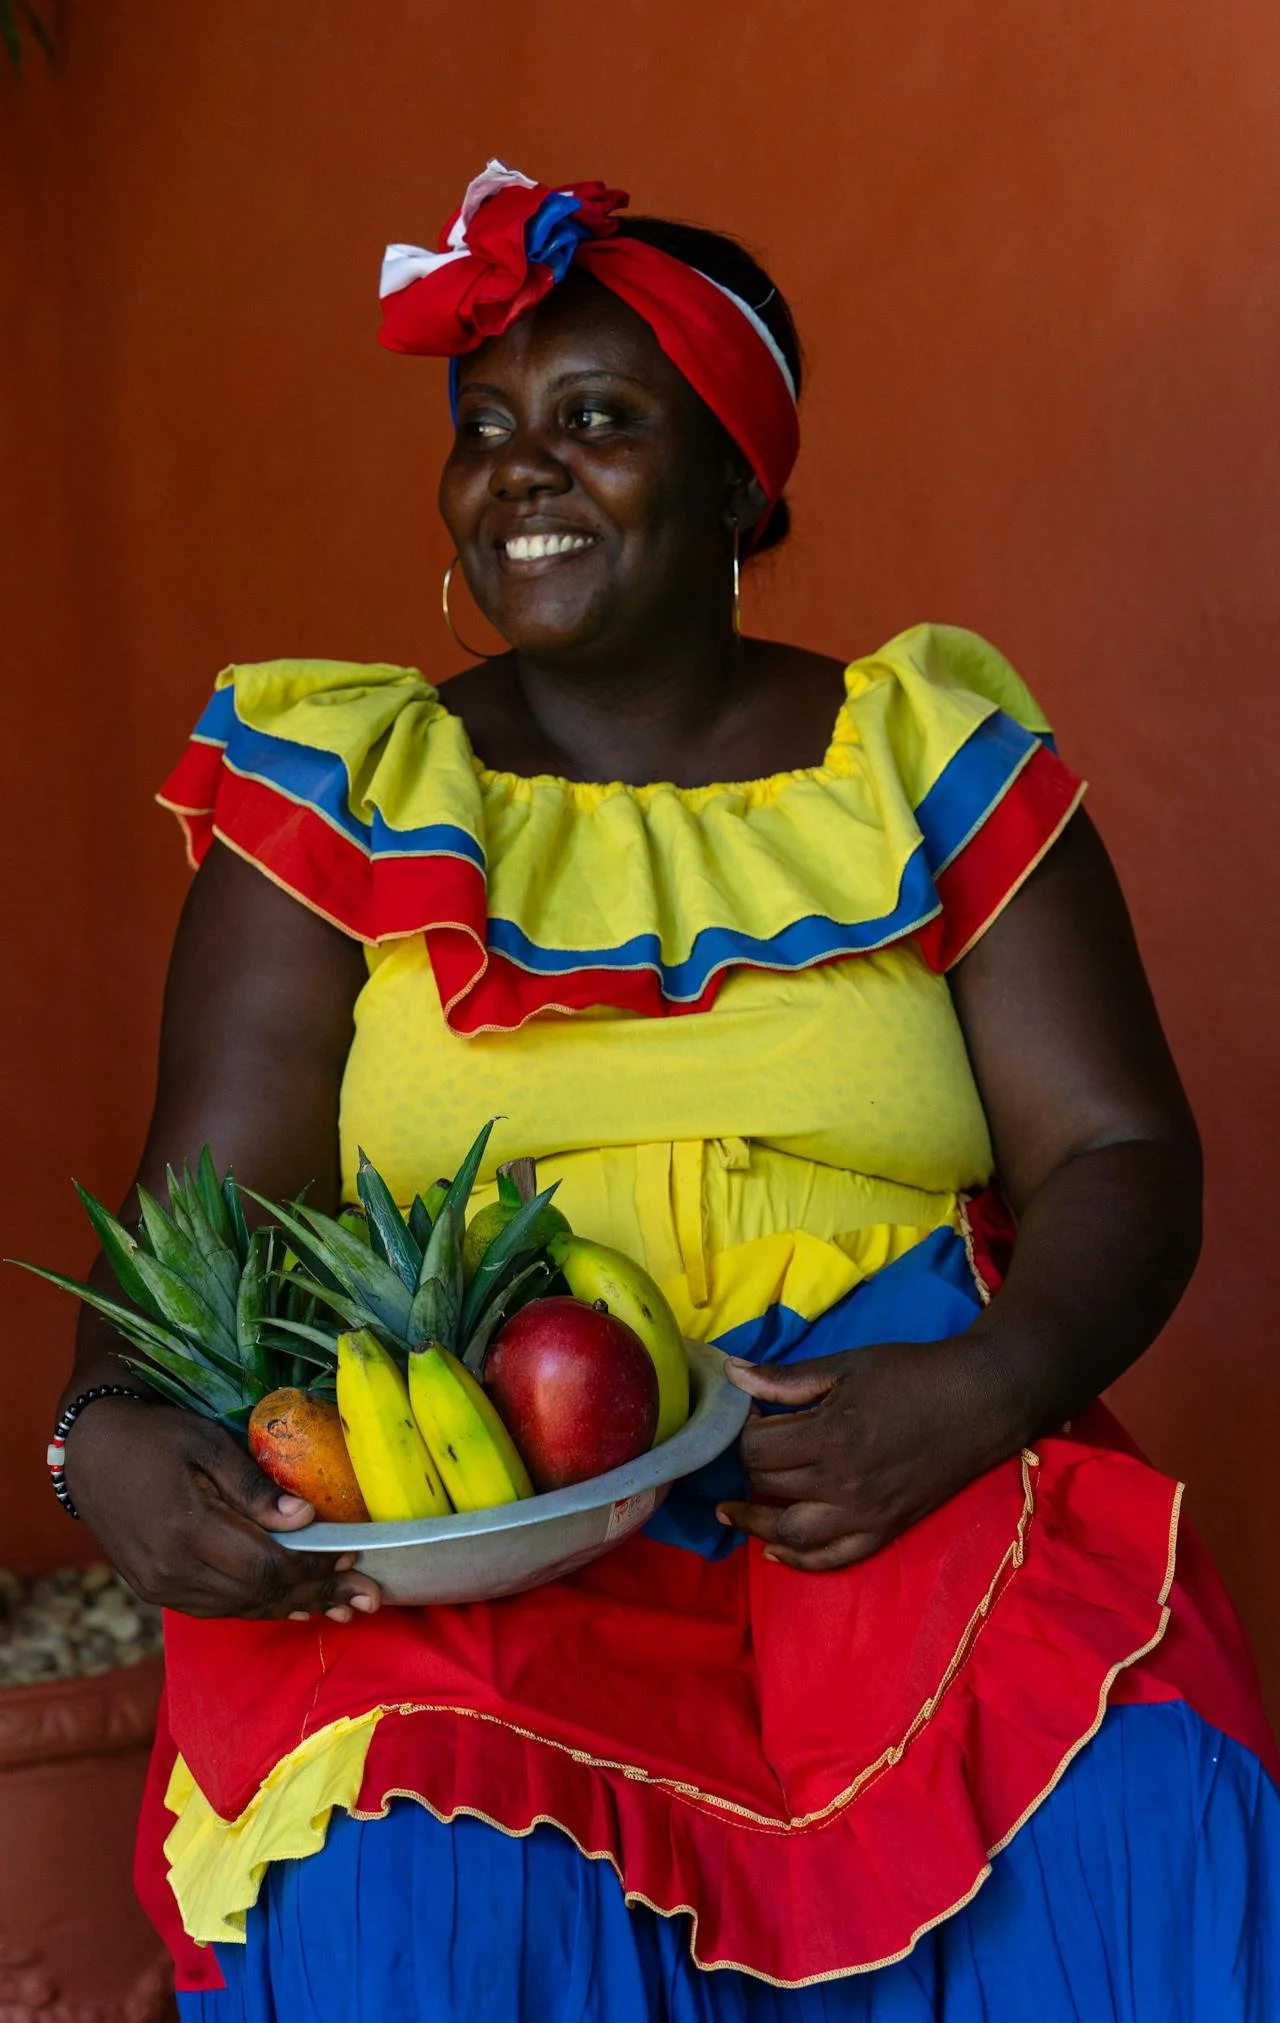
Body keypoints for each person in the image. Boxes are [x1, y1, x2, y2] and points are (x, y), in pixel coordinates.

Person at [53, 162, 1278, 2020]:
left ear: (741, 479)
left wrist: (985, 1387)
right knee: (427, 1885)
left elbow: (1120, 1147)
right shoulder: (342, 786)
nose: (518, 471)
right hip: (467, 1473)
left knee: (1134, 1803)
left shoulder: (926, 754)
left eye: (597, 420)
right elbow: (192, 1212)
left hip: (883, 1440)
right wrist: (104, 1439)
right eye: (486, 430)